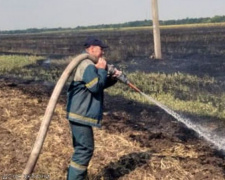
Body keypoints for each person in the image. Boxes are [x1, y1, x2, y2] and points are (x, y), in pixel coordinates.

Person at [66, 36, 121, 180]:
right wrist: (102, 70)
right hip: (81, 114)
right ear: (91, 49)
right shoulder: (87, 65)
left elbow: (97, 84)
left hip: (78, 113)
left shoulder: (88, 64)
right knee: (84, 150)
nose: (103, 52)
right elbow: (95, 87)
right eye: (101, 49)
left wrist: (113, 78)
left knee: (81, 149)